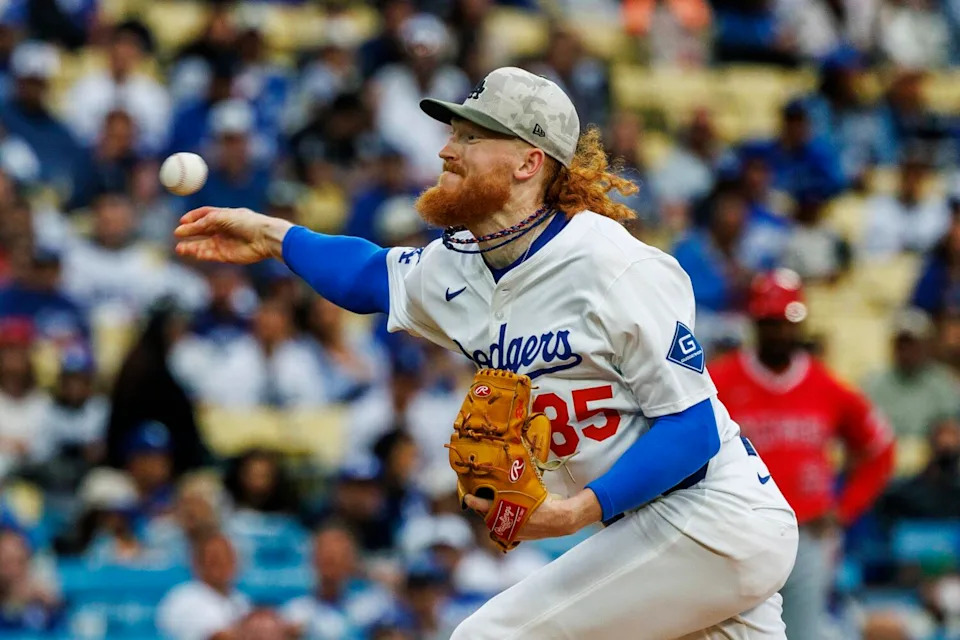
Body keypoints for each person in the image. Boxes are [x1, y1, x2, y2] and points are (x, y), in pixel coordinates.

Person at [173, 66, 799, 638]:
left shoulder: (613, 266)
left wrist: (573, 511)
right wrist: (270, 233)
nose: (447, 149)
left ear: (529, 162)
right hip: (662, 535)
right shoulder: (459, 265)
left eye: (472, 137)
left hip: (710, 515)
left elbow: (691, 431)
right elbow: (368, 276)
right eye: (454, 133)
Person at [709, 269, 896, 640]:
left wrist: (845, 509)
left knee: (804, 634)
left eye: (788, 322)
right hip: (737, 534)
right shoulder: (720, 380)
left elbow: (880, 449)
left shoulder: (825, 384)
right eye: (771, 322)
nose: (780, 331)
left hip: (807, 534)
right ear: (755, 322)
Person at [156, 531, 251, 640]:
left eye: (228, 558)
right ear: (198, 563)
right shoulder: (184, 597)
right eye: (215, 560)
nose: (223, 565)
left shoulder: (240, 600)